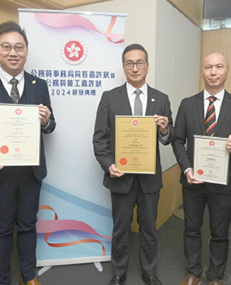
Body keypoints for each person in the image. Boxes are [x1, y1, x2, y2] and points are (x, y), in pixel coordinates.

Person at [0, 21, 55, 285]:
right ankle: (1, 280)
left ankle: (28, 276)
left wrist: (46, 120)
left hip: (30, 171)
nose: (13, 52)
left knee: (29, 225)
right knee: (3, 229)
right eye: (6, 47)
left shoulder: (40, 84)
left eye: (19, 47)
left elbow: (50, 126)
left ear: (26, 50)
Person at [93, 44, 173, 285]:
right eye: (129, 63)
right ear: (124, 67)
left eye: (140, 63)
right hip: (121, 177)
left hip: (149, 179)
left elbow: (169, 138)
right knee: (121, 228)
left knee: (149, 229)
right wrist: (109, 165)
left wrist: (165, 129)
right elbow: (99, 138)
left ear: (147, 66)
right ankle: (119, 273)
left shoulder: (161, 98)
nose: (135, 68)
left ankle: (149, 272)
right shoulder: (109, 97)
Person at [172, 53, 231, 285]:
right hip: (193, 180)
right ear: (202, 72)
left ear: (228, 71)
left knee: (220, 233)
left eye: (219, 67)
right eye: (208, 67)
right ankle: (193, 272)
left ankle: (215, 276)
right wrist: (186, 169)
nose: (213, 72)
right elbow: (178, 140)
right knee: (191, 229)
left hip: (222, 182)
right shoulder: (187, 104)